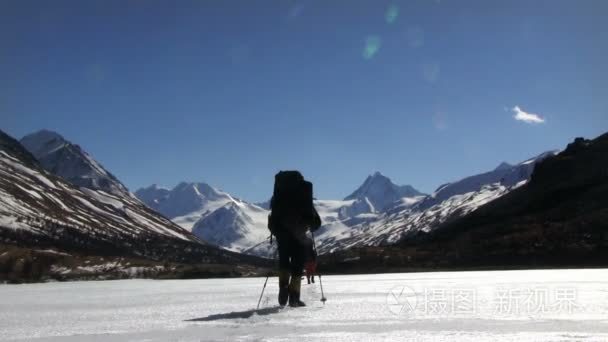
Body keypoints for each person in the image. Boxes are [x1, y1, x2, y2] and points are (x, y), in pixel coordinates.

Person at [268, 171, 321, 307]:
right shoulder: (304, 197)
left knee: (284, 262)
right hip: (300, 236)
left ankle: (283, 286)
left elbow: (272, 220)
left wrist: (277, 231)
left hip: (282, 235)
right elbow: (316, 222)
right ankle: (294, 297)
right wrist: (310, 225)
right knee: (297, 266)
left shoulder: (278, 198)